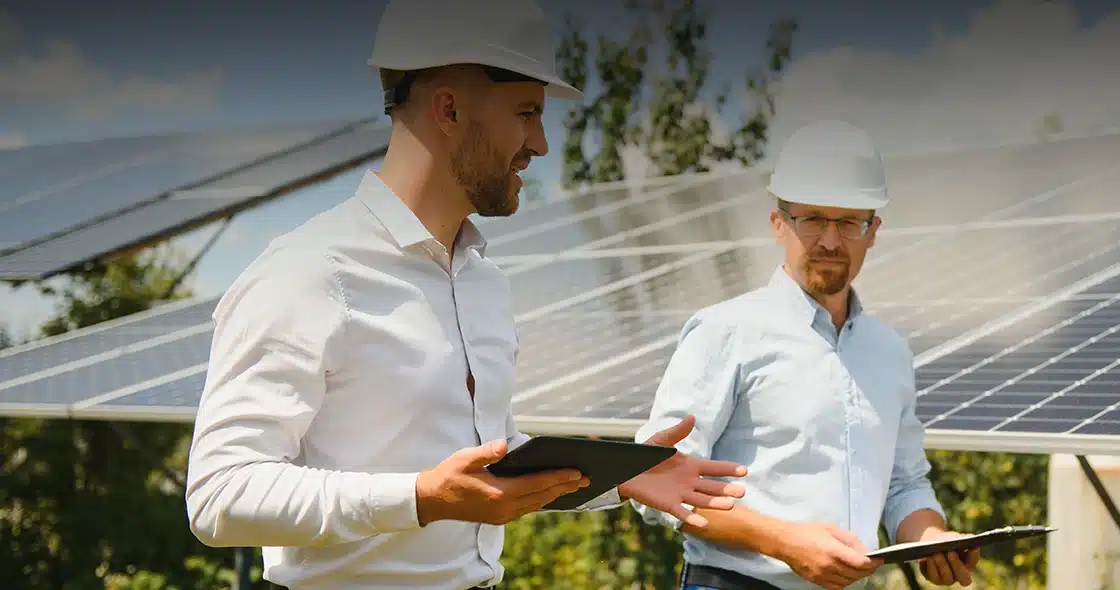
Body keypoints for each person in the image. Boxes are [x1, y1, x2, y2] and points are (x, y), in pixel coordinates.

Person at [184, 1, 747, 588]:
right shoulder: (308, 273)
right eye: (527, 113)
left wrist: (615, 477)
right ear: (449, 109)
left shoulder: (483, 281)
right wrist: (423, 498)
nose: (541, 144)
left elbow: (483, 468)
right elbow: (219, 495)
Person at [631, 120, 981, 590]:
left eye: (849, 222)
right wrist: (783, 542)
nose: (831, 242)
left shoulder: (889, 352)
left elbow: (905, 485)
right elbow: (657, 482)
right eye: (813, 219)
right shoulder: (725, 332)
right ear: (779, 223)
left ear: (873, 230)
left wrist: (934, 538)